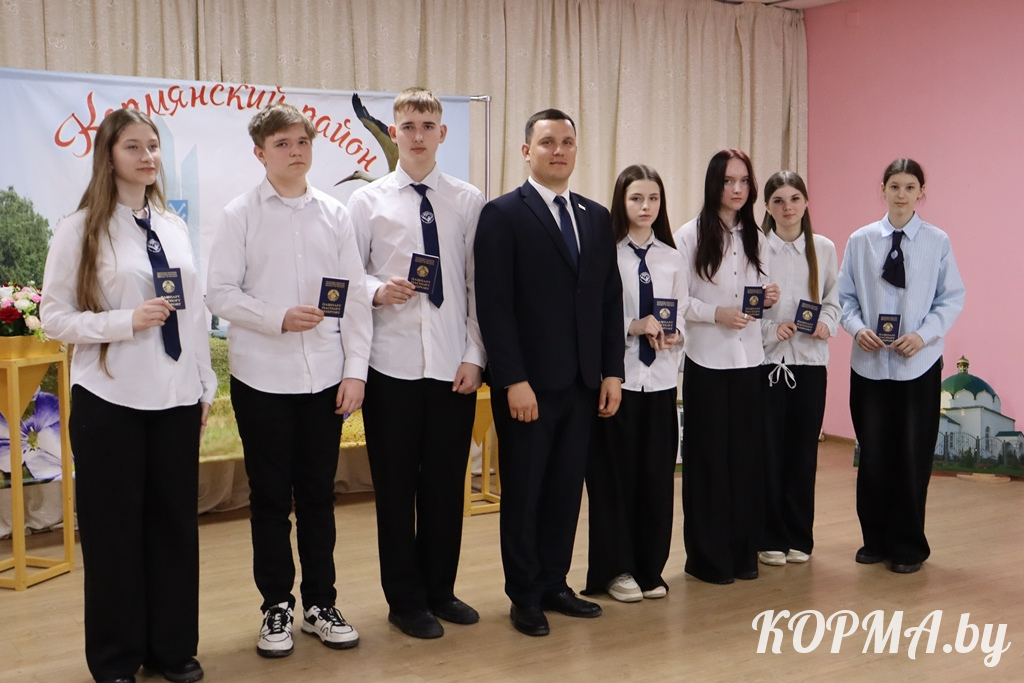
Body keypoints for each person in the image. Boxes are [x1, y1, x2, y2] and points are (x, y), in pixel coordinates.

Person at [41, 108, 214, 683]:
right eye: (133, 146)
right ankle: (115, 659)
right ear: (109, 156)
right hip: (110, 402)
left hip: (175, 400)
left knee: (174, 529)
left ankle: (171, 650)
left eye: (153, 146)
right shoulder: (79, 228)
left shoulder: (173, 225)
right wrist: (125, 321)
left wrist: (204, 384)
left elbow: (193, 314)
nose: (147, 156)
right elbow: (54, 317)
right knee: (114, 535)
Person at [206, 102, 372, 656]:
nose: (295, 152)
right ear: (260, 153)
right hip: (262, 380)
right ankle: (276, 606)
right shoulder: (239, 215)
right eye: (282, 144)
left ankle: (321, 604)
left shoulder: (335, 214)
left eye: (302, 142)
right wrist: (276, 317)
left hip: (325, 379)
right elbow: (219, 293)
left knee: (320, 498)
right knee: (271, 500)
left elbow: (355, 298)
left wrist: (355, 371)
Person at [475, 109, 625, 636]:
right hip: (528, 386)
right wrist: (512, 379)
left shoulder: (595, 216)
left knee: (565, 489)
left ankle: (555, 582)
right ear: (526, 151)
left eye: (566, 142)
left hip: (584, 383)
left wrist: (612, 371)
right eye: (547, 142)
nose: (558, 150)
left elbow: (609, 299)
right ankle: (524, 595)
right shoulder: (501, 214)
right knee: (525, 492)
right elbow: (494, 305)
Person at [349, 87, 485, 639]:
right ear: (393, 133)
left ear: (442, 133)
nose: (418, 135)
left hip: (452, 367)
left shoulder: (468, 200)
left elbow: (477, 284)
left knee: (446, 487)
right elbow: (347, 276)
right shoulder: (367, 202)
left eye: (428, 125)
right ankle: (404, 602)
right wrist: (378, 290)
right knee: (396, 489)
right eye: (408, 126)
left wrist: (475, 355)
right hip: (391, 367)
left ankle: (440, 591)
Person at [837, 158, 965, 574]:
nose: (902, 194)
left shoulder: (937, 241)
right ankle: (874, 540)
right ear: (883, 189)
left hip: (918, 366)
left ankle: (909, 545)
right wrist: (856, 328)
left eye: (910, 187)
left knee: (912, 455)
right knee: (873, 453)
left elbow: (951, 298)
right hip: (870, 365)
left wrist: (923, 335)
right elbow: (843, 297)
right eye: (894, 186)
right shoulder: (861, 240)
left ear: (921, 193)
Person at [673, 149, 779, 585]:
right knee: (708, 463)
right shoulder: (689, 235)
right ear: (713, 184)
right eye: (728, 181)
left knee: (747, 461)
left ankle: (742, 555)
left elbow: (760, 297)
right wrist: (716, 313)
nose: (737, 189)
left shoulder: (758, 237)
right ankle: (707, 560)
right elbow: (678, 301)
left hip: (749, 361)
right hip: (706, 361)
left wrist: (768, 297)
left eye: (744, 181)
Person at [583, 165, 684, 602]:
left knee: (656, 480)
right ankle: (615, 570)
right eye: (636, 198)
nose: (646, 207)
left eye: (653, 199)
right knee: (613, 482)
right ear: (621, 202)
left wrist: (675, 335)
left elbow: (680, 314)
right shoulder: (605, 253)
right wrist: (634, 324)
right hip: (617, 381)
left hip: (660, 382)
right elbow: (594, 313)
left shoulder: (672, 257)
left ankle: (649, 569)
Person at [756, 171, 839, 568]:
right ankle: (769, 536)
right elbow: (746, 305)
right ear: (767, 207)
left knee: (803, 454)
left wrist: (827, 324)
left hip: (809, 365)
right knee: (767, 454)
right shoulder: (755, 249)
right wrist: (770, 329)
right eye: (778, 200)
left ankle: (799, 536)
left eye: (794, 199)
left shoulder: (823, 248)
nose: (787, 207)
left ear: (806, 202)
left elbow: (835, 300)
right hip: (767, 365)